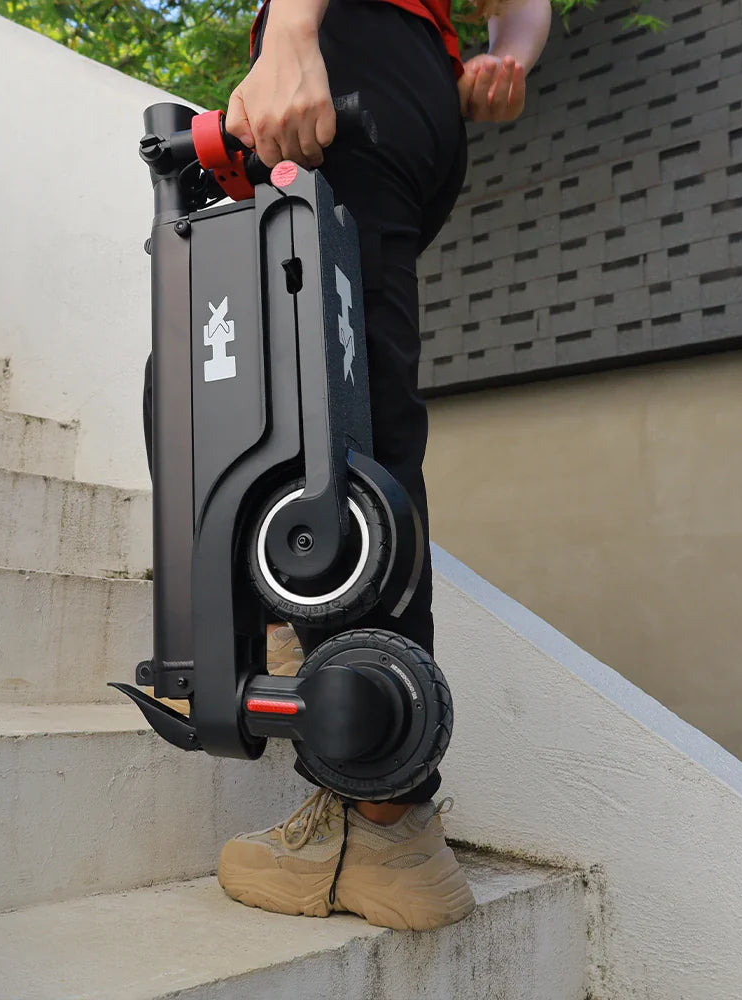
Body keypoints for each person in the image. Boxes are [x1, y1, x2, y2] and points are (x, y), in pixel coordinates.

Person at [213, 0, 553, 931]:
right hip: (419, 97)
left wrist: (292, 34)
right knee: (333, 374)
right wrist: (508, 57)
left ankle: (383, 824)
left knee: (333, 405)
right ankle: (296, 646)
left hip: (353, 52)